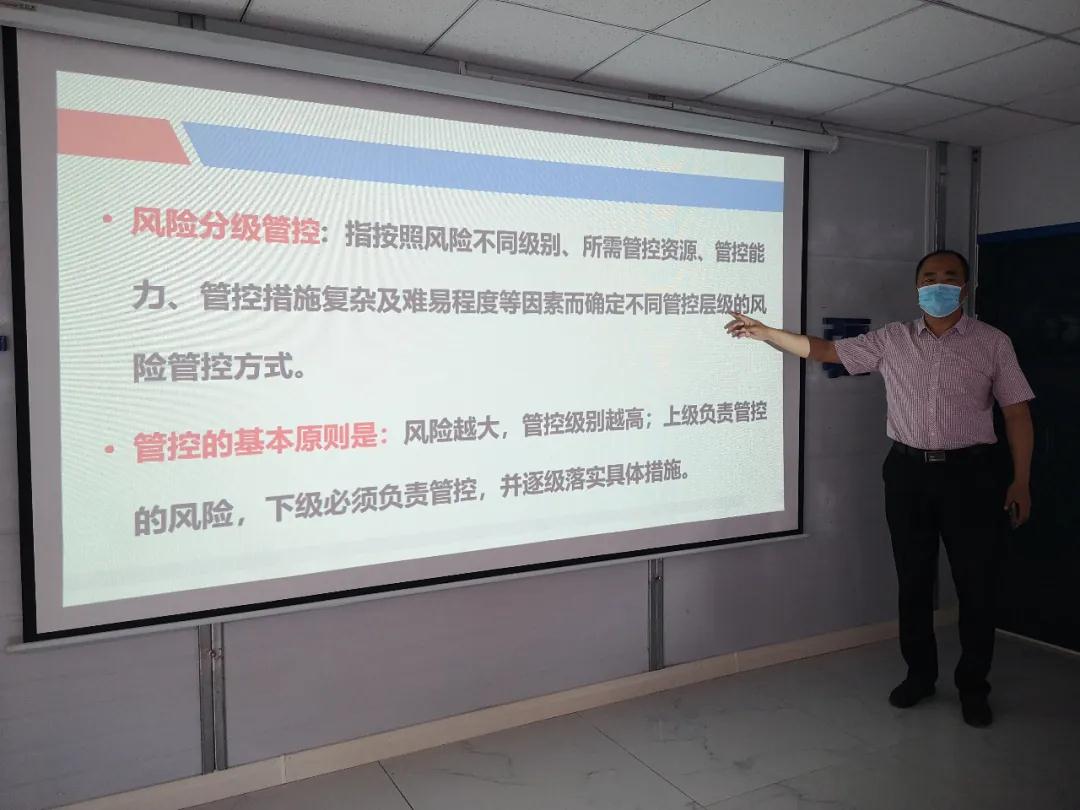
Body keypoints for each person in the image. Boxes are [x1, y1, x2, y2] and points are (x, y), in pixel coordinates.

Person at [725, 249, 1034, 728]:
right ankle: (920, 676)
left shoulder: (993, 342)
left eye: (949, 277)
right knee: (912, 580)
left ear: (965, 288)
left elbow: (1016, 413)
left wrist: (1021, 480)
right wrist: (768, 334)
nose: (938, 284)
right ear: (916, 288)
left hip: (972, 477)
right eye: (929, 277)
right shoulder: (893, 339)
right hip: (908, 474)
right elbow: (827, 351)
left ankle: (974, 686)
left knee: (977, 586)